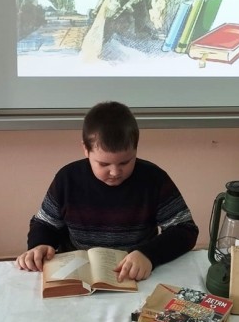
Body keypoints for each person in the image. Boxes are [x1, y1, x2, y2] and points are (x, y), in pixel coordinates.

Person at [15, 101, 199, 281]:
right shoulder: (67, 178)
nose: (115, 172)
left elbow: (185, 229)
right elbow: (45, 224)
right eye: (103, 164)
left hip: (134, 273)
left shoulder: (154, 179)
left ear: (136, 149)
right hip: (78, 273)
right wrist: (40, 245)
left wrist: (149, 254)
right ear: (85, 149)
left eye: (125, 162)